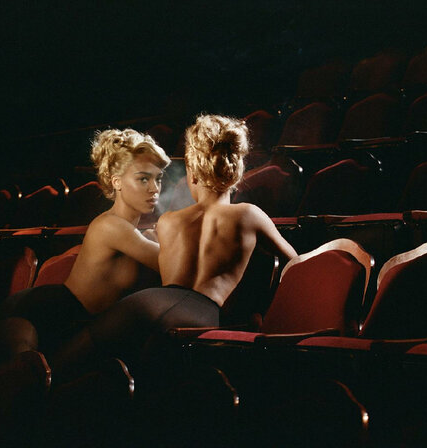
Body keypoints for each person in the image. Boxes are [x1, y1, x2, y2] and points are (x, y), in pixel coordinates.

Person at [49, 113, 298, 381]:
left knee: (64, 366)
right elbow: (295, 264)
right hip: (199, 315)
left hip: (145, 304)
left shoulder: (168, 221)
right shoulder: (249, 215)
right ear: (236, 171)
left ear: (193, 172)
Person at [0, 127, 171, 362]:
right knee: (25, 375)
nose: (154, 188)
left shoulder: (137, 235)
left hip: (79, 321)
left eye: (158, 178)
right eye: (143, 179)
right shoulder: (111, 226)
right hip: (38, 311)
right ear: (117, 182)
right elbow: (173, 266)